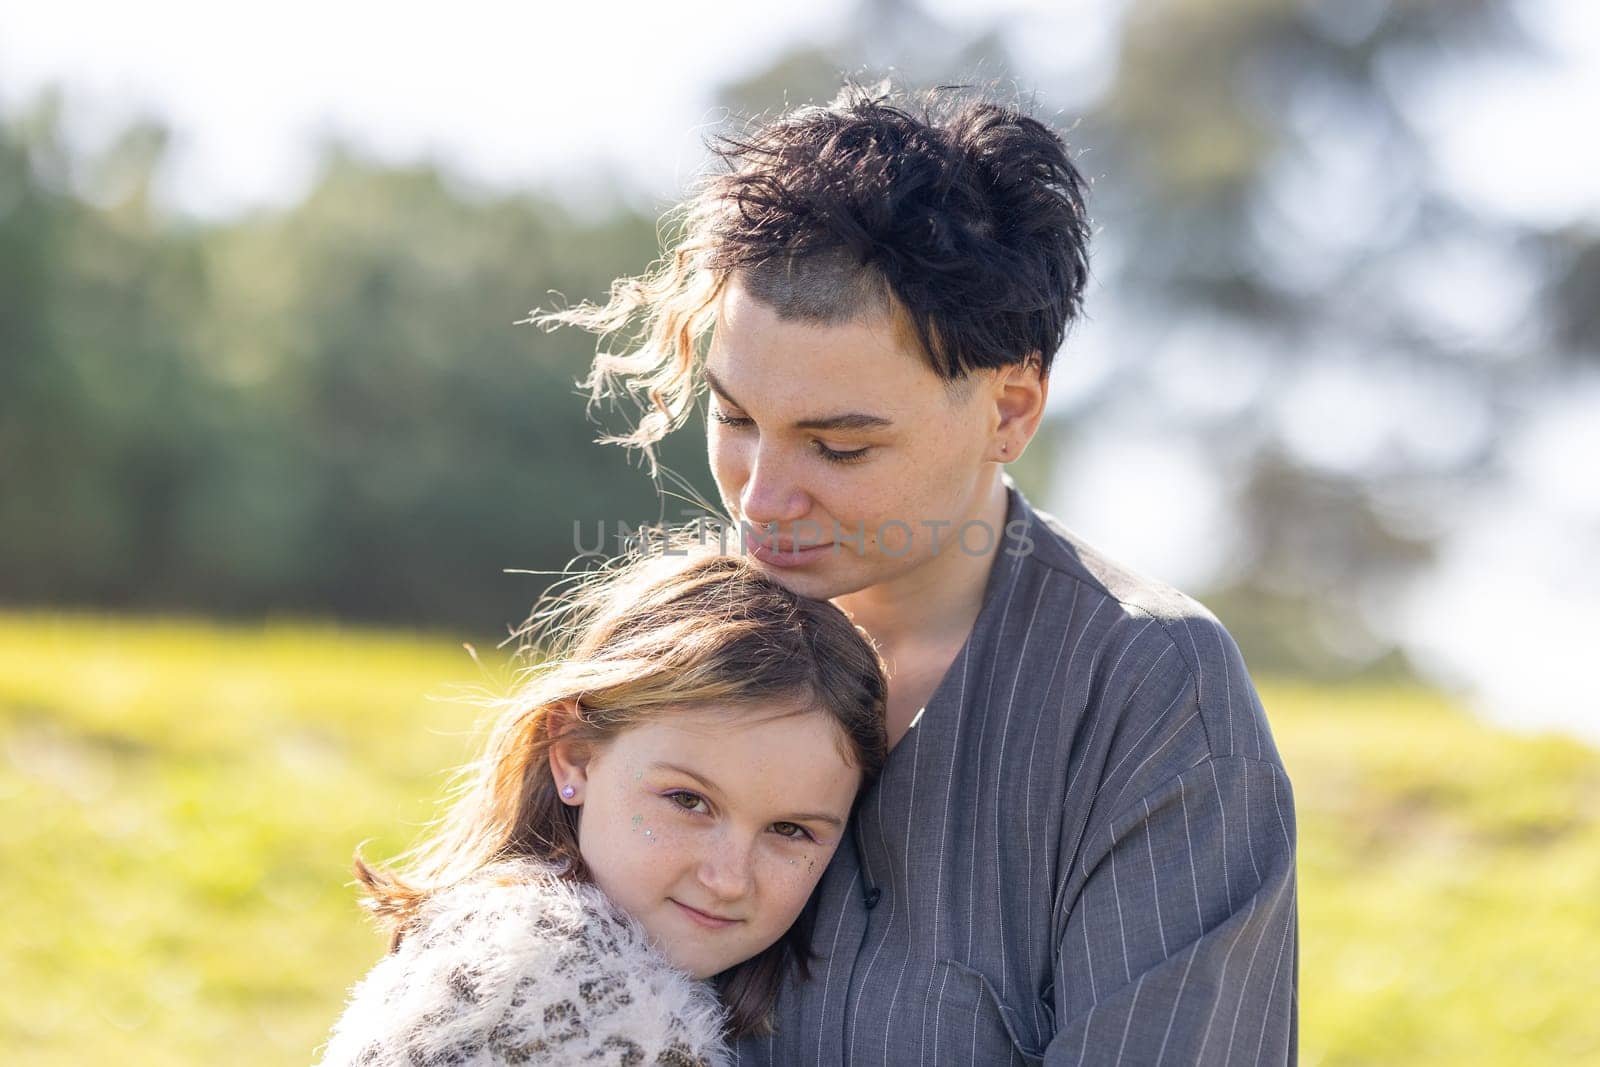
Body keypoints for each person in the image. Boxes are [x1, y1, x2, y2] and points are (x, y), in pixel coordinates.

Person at [533, 81, 1298, 1064]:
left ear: (1011, 410)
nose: (761, 499)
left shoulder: (1146, 695)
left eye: (839, 447)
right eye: (733, 417)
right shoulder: (668, 649)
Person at [314, 546, 890, 1066]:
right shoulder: (552, 990)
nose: (728, 879)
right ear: (575, 757)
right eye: (688, 800)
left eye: (789, 830)